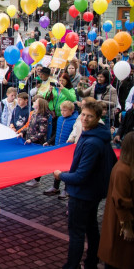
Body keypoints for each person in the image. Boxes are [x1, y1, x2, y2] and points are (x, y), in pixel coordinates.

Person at [53, 98, 118, 269]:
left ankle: (72, 265)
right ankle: (91, 262)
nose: (84, 118)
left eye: (89, 116)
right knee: (91, 228)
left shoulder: (92, 142)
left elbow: (81, 176)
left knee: (77, 233)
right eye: (83, 114)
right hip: (93, 193)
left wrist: (61, 176)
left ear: (98, 117)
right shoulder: (97, 135)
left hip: (82, 194)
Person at [98, 132, 134, 269]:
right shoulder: (123, 170)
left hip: (122, 222)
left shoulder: (126, 167)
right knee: (119, 258)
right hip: (121, 225)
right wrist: (127, 226)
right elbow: (121, 201)